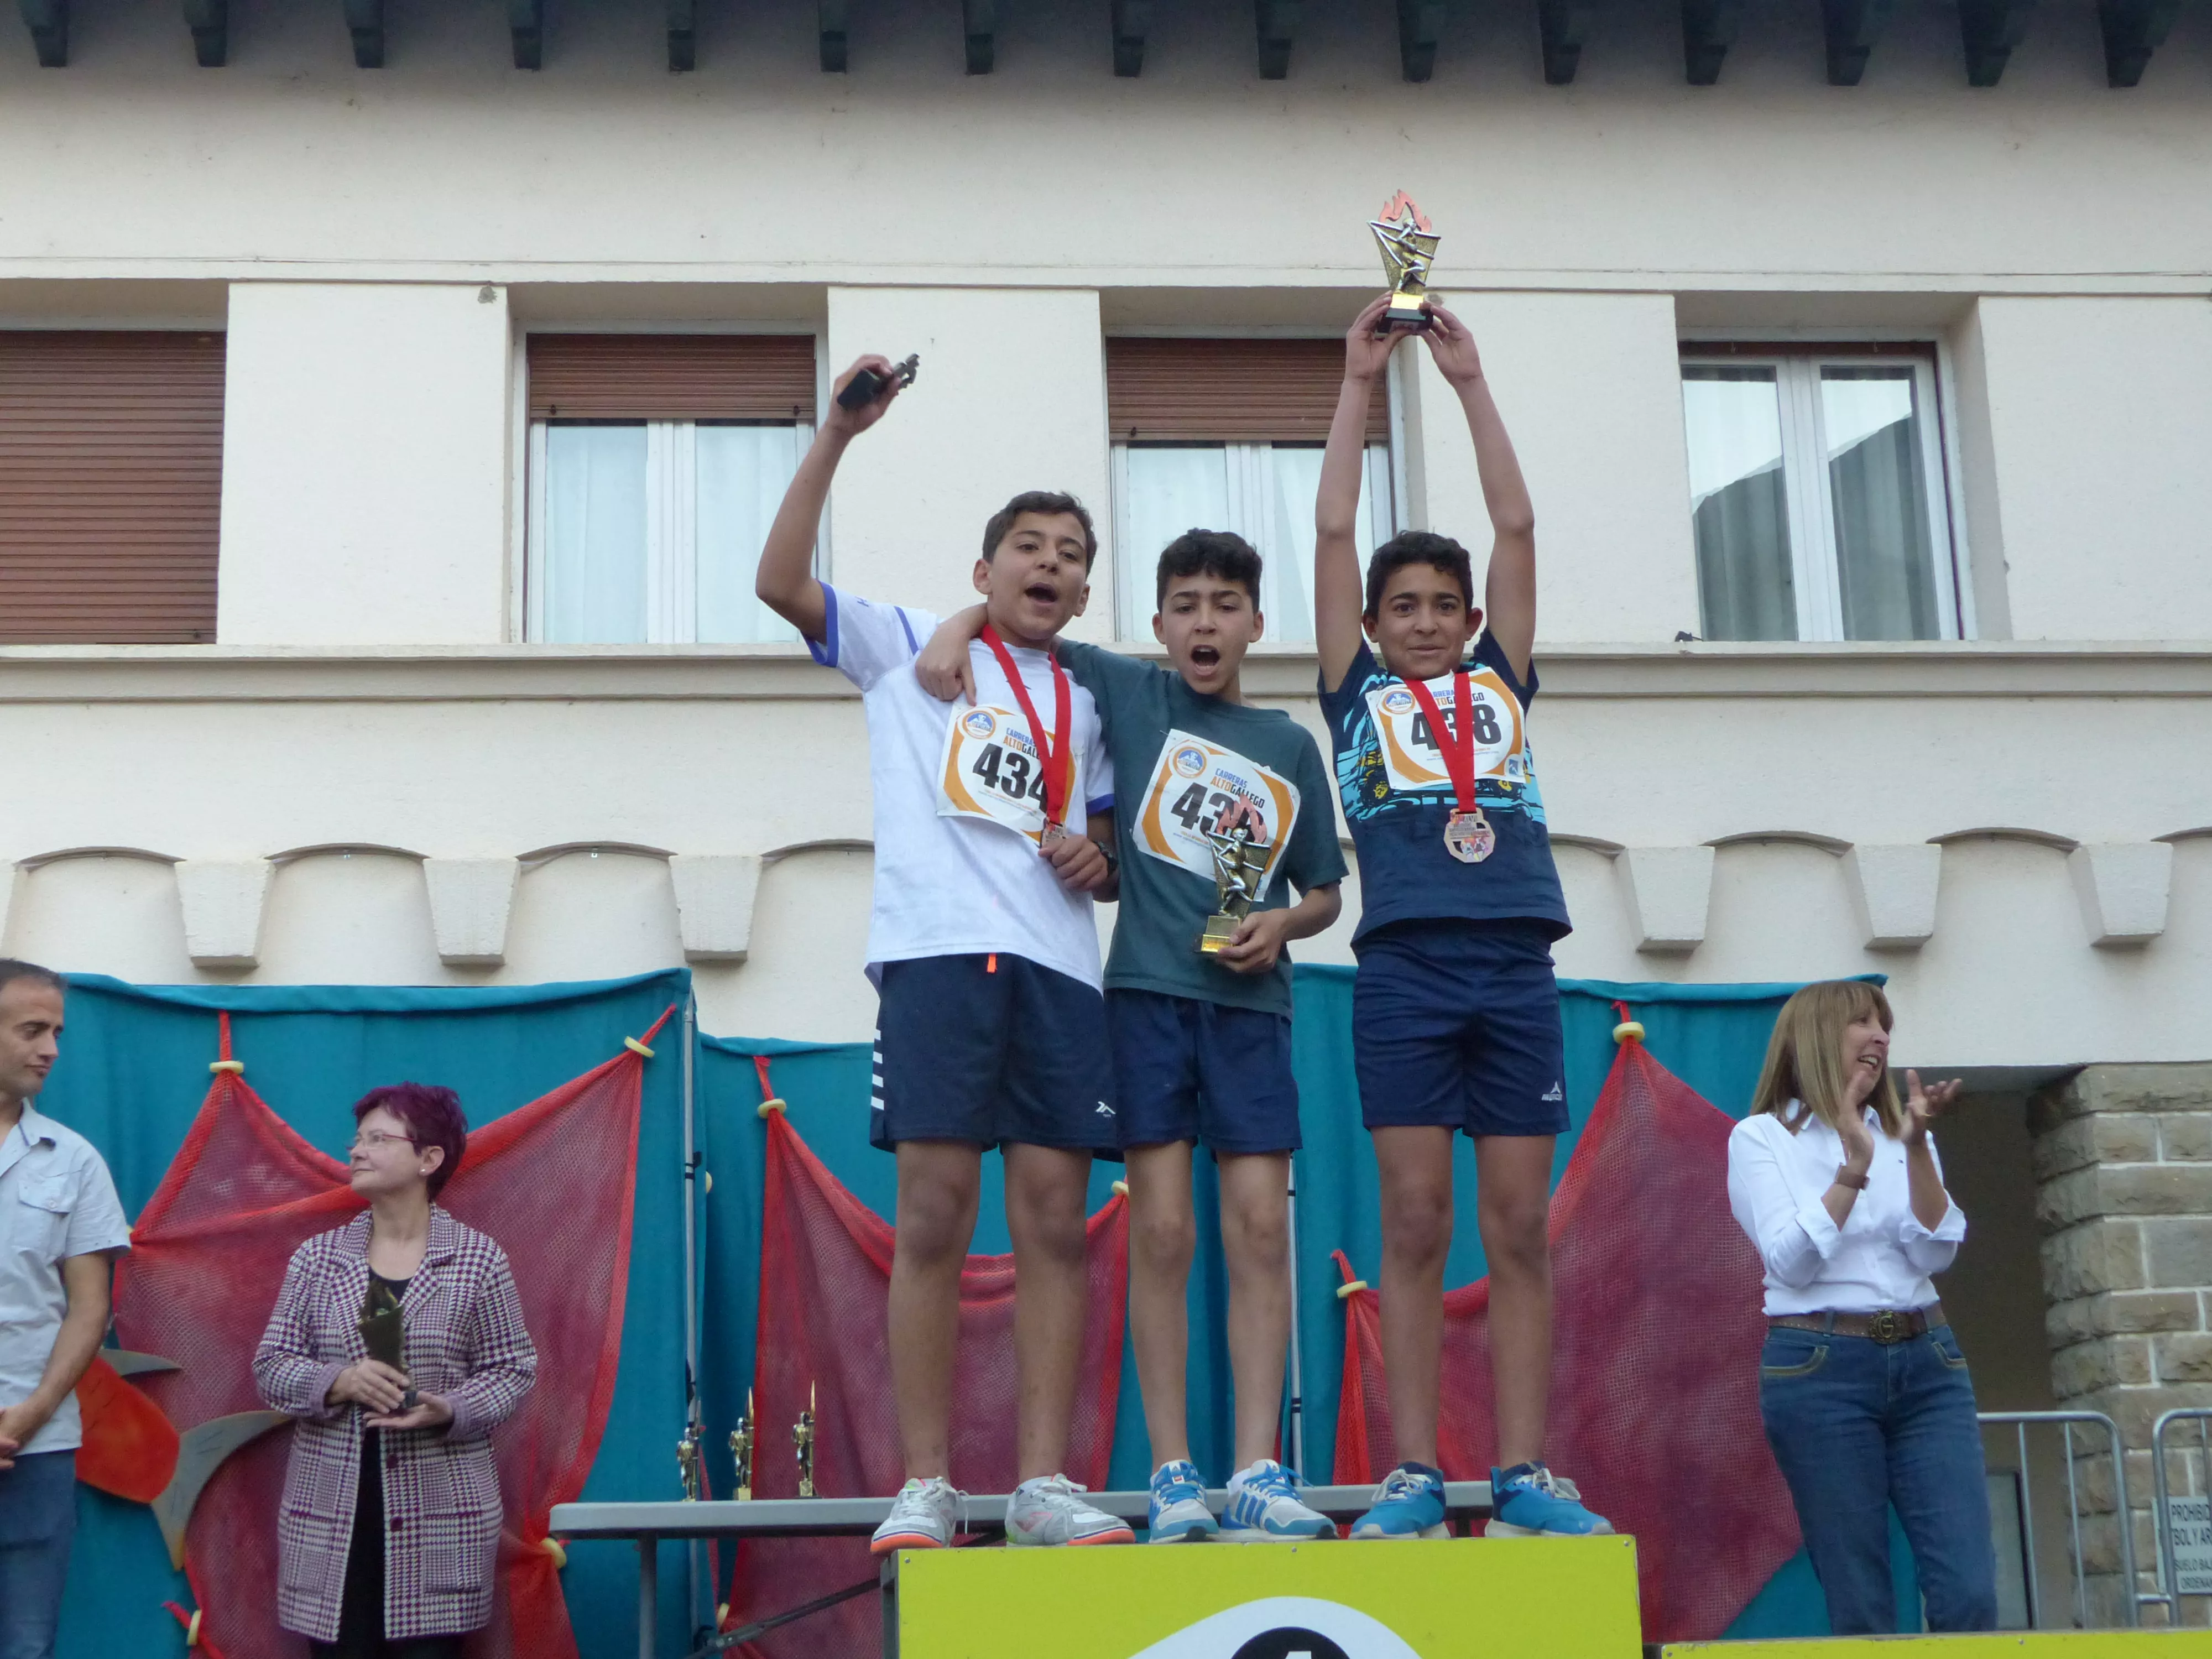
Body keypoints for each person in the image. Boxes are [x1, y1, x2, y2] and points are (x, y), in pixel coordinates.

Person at [754, 356, 1133, 1551]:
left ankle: (1040, 1486)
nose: (1051, 564)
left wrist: (1098, 862)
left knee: (1053, 1228)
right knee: (928, 1218)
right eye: (1029, 545)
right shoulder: (906, 644)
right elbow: (776, 583)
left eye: (1072, 554)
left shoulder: (1094, 697)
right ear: (984, 569)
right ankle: (924, 1484)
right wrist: (836, 434)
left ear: (1081, 591)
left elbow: (1116, 849)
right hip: (931, 960)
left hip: (1061, 977)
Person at [914, 530, 1347, 1542]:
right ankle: (1170, 1471)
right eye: (1186, 604)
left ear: (1254, 624)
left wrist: (1282, 923)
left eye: (1225, 604)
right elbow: (1029, 615)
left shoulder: (1286, 745)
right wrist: (953, 623)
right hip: (1144, 1003)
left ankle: (1256, 1466)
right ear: (1157, 624)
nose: (1205, 621)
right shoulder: (1132, 693)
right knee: (1159, 1233)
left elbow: (1325, 889)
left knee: (1257, 1230)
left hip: (1254, 1013)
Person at [1314, 295, 1609, 1540]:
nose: (1426, 620)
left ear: (1471, 618)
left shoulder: (1500, 683)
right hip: (1404, 974)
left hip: (1511, 967)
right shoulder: (1353, 699)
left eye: (1444, 602)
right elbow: (1332, 527)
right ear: (1374, 627)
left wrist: (1469, 383)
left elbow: (1517, 521)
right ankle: (1415, 1472)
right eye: (1404, 607)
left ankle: (1527, 1472)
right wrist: (1355, 382)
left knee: (1518, 1229)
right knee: (1417, 1222)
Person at [1726, 980, 1996, 1634]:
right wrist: (1853, 1165)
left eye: (1885, 1025)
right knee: (1860, 1598)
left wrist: (1912, 1148)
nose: (1880, 1036)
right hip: (1820, 1367)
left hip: (1926, 1356)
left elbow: (1935, 1254)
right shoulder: (1761, 1138)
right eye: (1862, 1023)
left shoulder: (1898, 1132)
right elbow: (1789, 1261)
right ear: (1818, 1036)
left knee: (1968, 1591)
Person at [254, 1084, 538, 1658]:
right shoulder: (318, 1259)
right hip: (331, 1525)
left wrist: (452, 1409)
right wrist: (337, 1381)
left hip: (440, 1522)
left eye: (377, 1140)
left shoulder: (479, 1259)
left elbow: (513, 1369)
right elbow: (270, 1365)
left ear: (429, 1159)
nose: (356, 1151)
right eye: (357, 1140)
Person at [0, 961, 131, 1659]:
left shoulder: (73, 1160)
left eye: (56, 1031)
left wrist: (28, 1414)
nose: (51, 1048)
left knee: (26, 1644)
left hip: (36, 1446)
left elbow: (90, 1309)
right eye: (31, 1030)